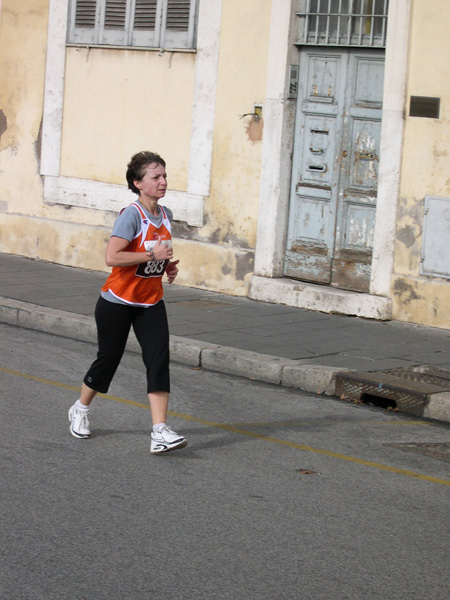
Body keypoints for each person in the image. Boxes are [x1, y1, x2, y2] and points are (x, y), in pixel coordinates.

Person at [68, 151, 187, 454]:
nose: (162, 182)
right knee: (109, 358)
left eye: (164, 175)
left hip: (150, 301)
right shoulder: (131, 215)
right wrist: (151, 256)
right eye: (155, 177)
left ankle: (159, 431)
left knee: (158, 359)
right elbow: (112, 257)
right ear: (138, 183)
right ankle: (80, 408)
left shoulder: (166, 215)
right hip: (117, 301)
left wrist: (166, 267)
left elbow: (158, 256)